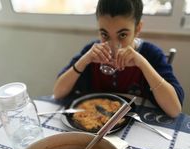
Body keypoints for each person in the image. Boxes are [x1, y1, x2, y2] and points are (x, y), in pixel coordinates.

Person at [53, 0, 184, 118]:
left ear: (138, 29)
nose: (112, 45)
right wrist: (84, 60)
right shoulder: (92, 53)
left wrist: (143, 64)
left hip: (136, 128)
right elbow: (58, 93)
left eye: (122, 35)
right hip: (95, 122)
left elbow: (174, 110)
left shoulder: (151, 54)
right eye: (104, 34)